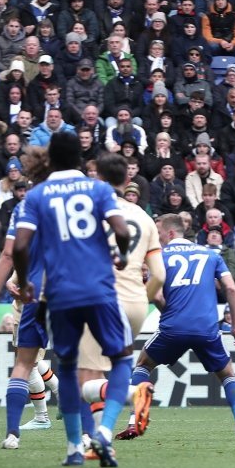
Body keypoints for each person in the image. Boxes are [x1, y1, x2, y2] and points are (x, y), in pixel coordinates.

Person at [13, 131, 132, 467]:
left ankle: (73, 449)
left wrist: (24, 284)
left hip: (59, 294)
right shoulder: (99, 189)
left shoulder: (36, 196)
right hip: (99, 290)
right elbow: (121, 231)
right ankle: (105, 432)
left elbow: (20, 246)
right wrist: (120, 256)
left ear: (50, 159)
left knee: (66, 367)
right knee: (122, 359)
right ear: (81, 158)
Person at [92, 213, 235, 441]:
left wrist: (172, 313)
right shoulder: (211, 254)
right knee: (227, 373)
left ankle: (133, 421)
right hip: (206, 329)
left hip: (173, 327)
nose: (158, 238)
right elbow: (230, 288)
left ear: (170, 233)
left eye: (159, 233)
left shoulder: (159, 257)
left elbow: (158, 296)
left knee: (143, 364)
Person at [77, 154, 165, 449]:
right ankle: (102, 438)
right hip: (136, 304)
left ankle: (131, 396)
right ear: (127, 180)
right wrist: (145, 296)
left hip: (101, 300)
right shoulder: (144, 217)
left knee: (86, 378)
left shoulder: (90, 211)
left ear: (98, 178)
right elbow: (160, 276)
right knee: (115, 368)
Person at [0, 147, 60, 445]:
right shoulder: (81, 201)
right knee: (82, 365)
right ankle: (87, 441)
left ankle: (13, 432)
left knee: (23, 363)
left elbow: (8, 253)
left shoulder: (26, 206)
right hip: (76, 290)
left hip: (37, 292)